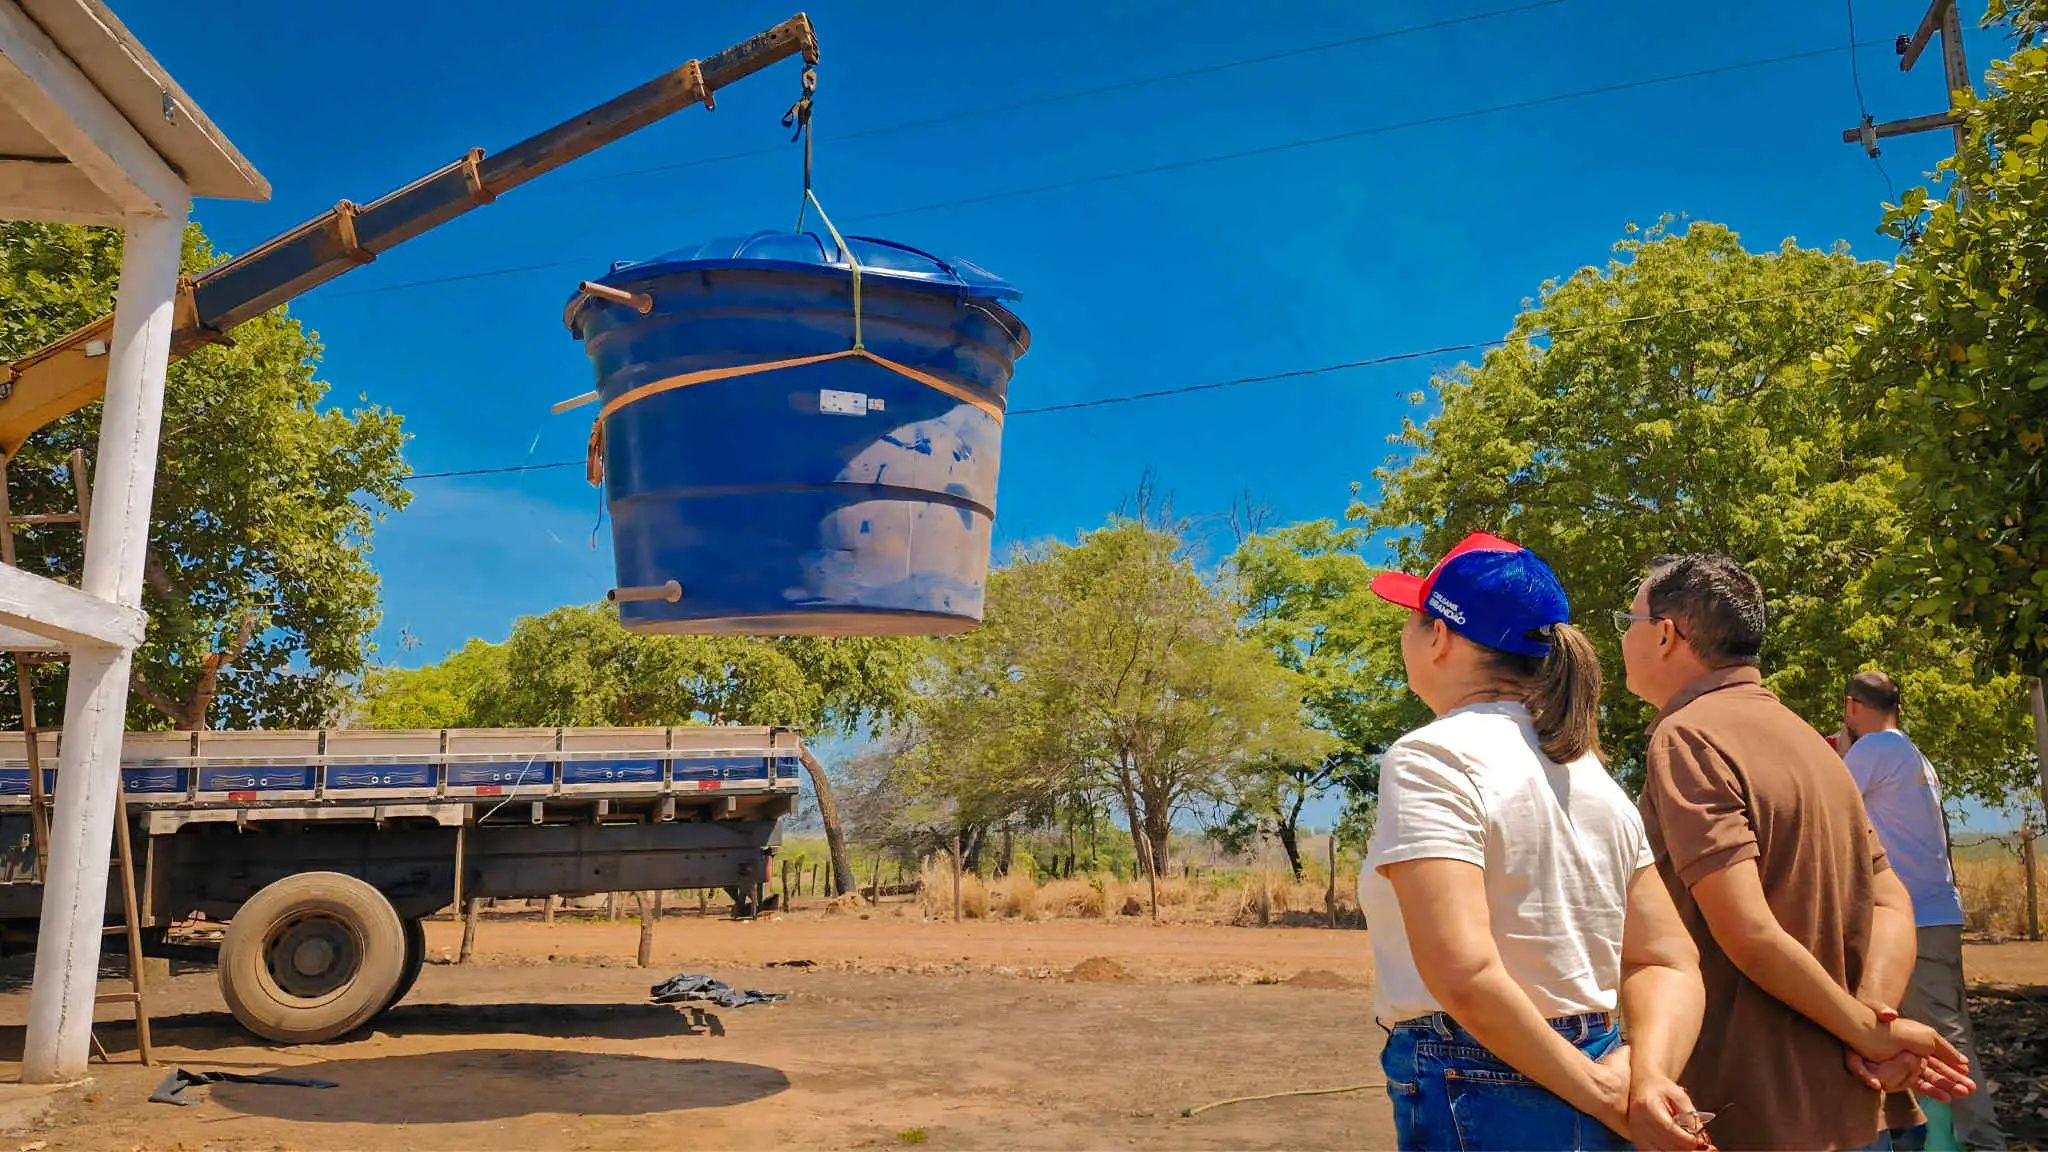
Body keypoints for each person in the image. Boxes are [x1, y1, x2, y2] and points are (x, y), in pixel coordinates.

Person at [1361, 531, 1711, 1151]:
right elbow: (1668, 960)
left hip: (1479, 1082)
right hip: (1600, 1065)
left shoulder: (1429, 759)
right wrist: (1644, 1076)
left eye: (1414, 619)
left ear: (1440, 635)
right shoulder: (1590, 774)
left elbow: (1464, 973)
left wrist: (1613, 1099)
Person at [1621, 554, 1976, 1151]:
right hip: (1863, 1109)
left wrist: (1869, 1030)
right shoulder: (1811, 741)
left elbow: (1749, 932)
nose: (1623, 639)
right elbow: (1892, 899)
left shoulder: (1686, 737)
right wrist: (1874, 1021)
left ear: (1664, 633)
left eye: (1626, 622)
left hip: (1756, 1112)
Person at [1842, 670, 2005, 1150]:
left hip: (1910, 919)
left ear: (1853, 707)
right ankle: (1935, 1137)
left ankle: (1980, 1142)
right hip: (1938, 913)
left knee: (1939, 1037)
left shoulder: (1873, 749)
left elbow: (1831, 797)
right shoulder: (1912, 754)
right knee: (1951, 1031)